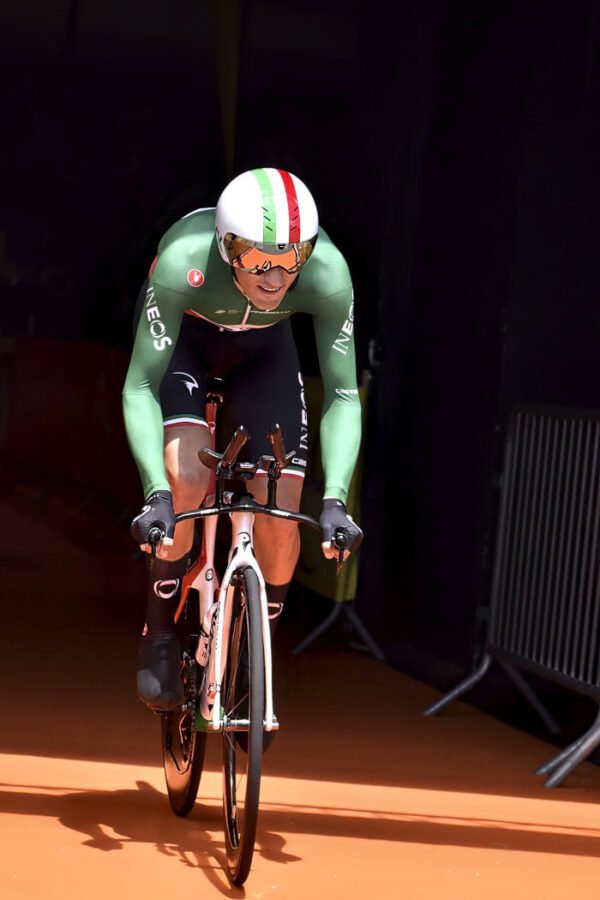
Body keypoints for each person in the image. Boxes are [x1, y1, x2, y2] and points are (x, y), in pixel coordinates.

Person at [122, 166, 364, 712]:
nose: (276, 278)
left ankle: (258, 653)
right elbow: (139, 384)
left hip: (264, 354)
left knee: (281, 515)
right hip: (186, 342)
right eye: (257, 260)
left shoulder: (328, 273)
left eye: (290, 259)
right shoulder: (185, 258)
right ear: (226, 247)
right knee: (186, 478)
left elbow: (346, 396)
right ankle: (159, 635)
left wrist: (336, 500)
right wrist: (156, 493)